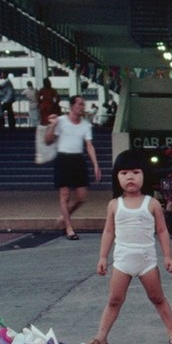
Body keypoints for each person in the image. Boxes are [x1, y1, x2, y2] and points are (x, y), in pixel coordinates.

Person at [86, 150, 172, 344]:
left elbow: (163, 231)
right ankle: (101, 336)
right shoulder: (114, 205)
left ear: (144, 174)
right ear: (116, 177)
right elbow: (108, 232)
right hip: (122, 261)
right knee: (114, 300)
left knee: (157, 298)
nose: (130, 177)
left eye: (135, 172)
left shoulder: (153, 203)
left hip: (147, 261)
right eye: (123, 173)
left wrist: (168, 257)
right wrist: (102, 257)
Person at [45, 95, 100, 240]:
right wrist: (53, 124)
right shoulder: (61, 121)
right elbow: (48, 140)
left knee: (82, 197)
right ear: (72, 106)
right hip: (63, 158)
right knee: (64, 195)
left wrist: (95, 164)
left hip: (78, 159)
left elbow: (89, 145)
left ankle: (64, 217)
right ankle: (69, 228)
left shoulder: (86, 125)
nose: (82, 107)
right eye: (79, 104)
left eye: (83, 104)